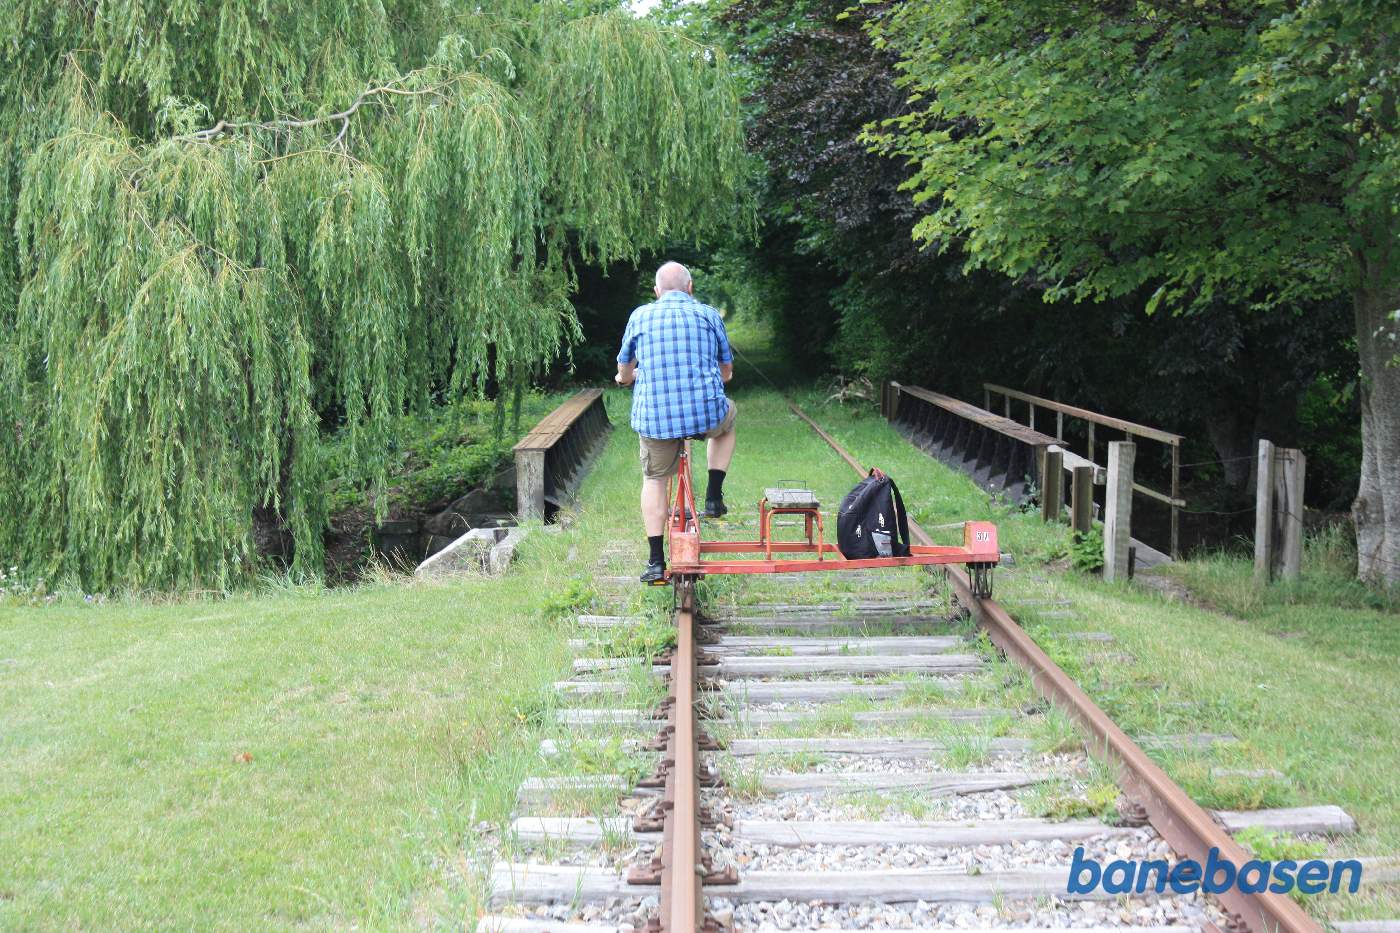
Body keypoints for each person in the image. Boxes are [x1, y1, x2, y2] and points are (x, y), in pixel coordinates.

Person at [615, 261, 736, 584]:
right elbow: (726, 371)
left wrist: (626, 378)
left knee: (654, 480)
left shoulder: (640, 316)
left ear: (657, 291)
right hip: (704, 414)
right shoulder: (709, 314)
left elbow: (625, 371)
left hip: (656, 419)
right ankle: (713, 496)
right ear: (690, 287)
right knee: (728, 418)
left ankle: (655, 561)